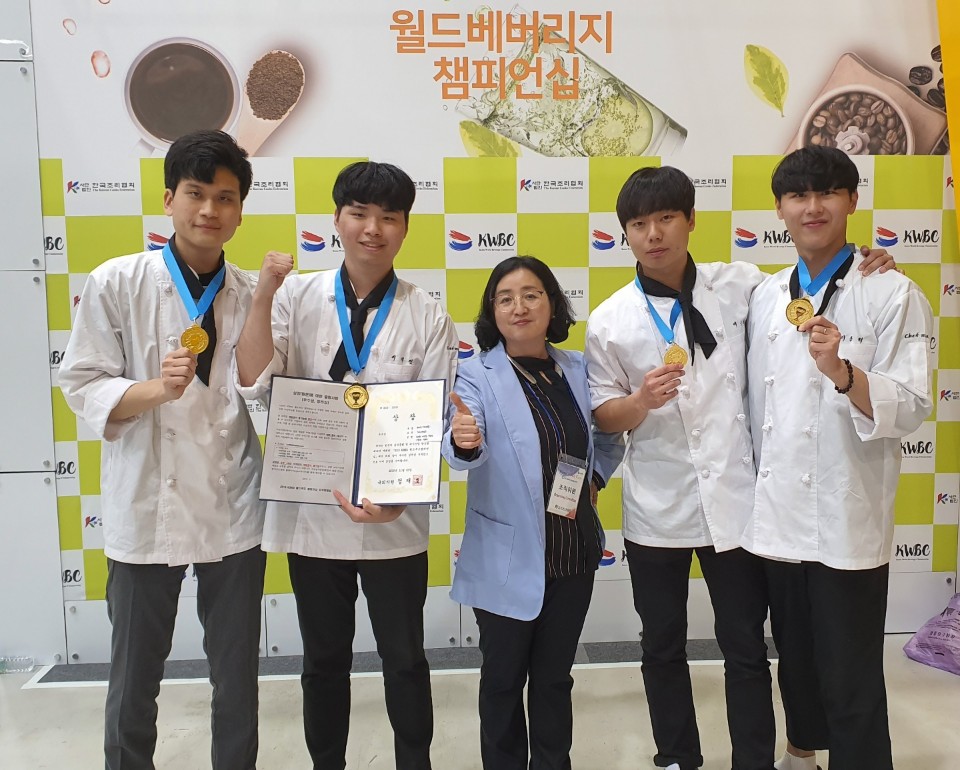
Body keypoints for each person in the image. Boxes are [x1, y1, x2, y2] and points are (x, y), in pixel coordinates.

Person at [583, 166, 897, 770]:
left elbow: (814, 281)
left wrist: (868, 262)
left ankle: (753, 759)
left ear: (691, 221)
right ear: (625, 235)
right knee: (662, 646)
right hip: (658, 508)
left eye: (667, 218)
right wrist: (640, 401)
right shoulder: (610, 319)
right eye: (639, 225)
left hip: (737, 504)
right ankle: (677, 756)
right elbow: (604, 413)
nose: (654, 234)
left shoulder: (744, 286)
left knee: (746, 646)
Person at [234, 160, 458, 770]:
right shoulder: (297, 295)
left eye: (388, 217)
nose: (372, 229)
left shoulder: (427, 313)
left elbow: (433, 416)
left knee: (405, 659)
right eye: (359, 213)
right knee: (323, 661)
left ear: (405, 227)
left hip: (394, 524)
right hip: (313, 514)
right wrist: (262, 294)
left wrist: (396, 502)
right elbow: (254, 380)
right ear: (337, 219)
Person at [58, 130, 265, 770]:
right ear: (169, 198)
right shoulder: (117, 281)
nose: (209, 210)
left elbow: (265, 388)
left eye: (225, 198)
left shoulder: (251, 292)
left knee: (237, 674)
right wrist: (154, 389)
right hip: (148, 501)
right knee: (133, 674)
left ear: (240, 211)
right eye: (196, 194)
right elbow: (81, 383)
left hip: (232, 502)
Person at [743, 146, 934, 770]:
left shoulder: (892, 291)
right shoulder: (765, 295)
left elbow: (911, 404)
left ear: (852, 200)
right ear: (779, 209)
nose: (812, 207)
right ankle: (801, 755)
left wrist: (843, 372)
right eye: (798, 195)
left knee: (851, 673)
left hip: (848, 513)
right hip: (778, 517)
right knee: (794, 660)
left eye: (827, 192)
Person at [442, 256, 623, 770]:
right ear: (492, 312)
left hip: (573, 552)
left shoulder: (578, 369)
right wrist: (464, 441)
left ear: (552, 303)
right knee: (502, 682)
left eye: (531, 294)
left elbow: (608, 434)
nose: (518, 306)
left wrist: (594, 480)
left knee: (554, 680)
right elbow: (461, 443)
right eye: (505, 298)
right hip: (507, 557)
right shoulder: (475, 374)